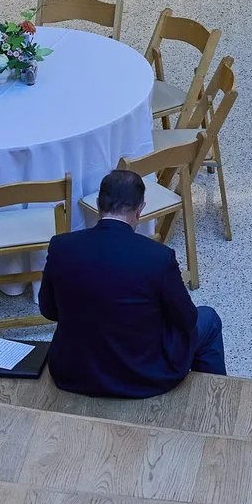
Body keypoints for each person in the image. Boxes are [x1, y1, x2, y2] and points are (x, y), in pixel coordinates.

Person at [37, 168, 224, 398]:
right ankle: (213, 402)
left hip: (74, 372)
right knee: (210, 319)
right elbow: (187, 319)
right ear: (140, 210)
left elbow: (48, 310)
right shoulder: (158, 257)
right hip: (143, 376)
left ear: (98, 204)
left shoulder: (61, 247)